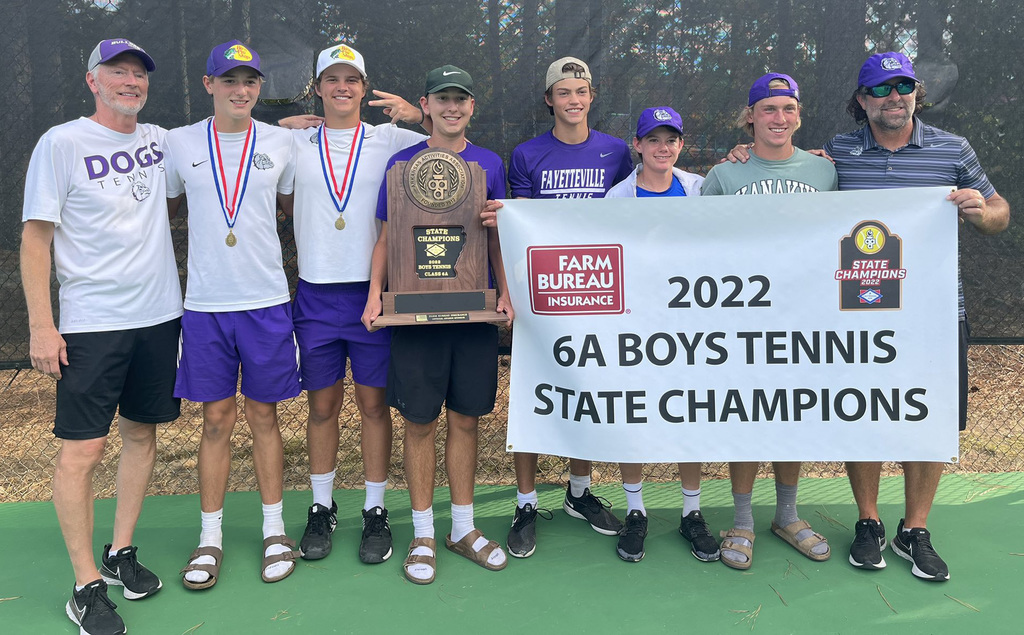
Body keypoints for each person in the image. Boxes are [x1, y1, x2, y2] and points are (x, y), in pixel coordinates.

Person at [823, 52, 1009, 581]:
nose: (895, 96)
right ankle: (868, 522)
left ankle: (915, 529)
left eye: (904, 85)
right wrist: (754, 152)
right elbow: (795, 188)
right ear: (862, 101)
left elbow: (1000, 213)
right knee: (863, 412)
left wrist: (982, 210)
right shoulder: (838, 154)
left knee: (927, 420)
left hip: (934, 311)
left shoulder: (954, 149)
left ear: (917, 93)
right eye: (881, 89)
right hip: (858, 314)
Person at [21, 38, 181, 634]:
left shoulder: (161, 141)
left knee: (142, 434)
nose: (130, 81)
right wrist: (43, 323)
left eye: (139, 73)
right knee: (84, 451)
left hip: (160, 317)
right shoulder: (61, 143)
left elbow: (229, 134)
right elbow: (36, 237)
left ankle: (120, 554)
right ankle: (85, 584)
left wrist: (296, 123)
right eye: (118, 72)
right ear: (93, 81)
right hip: (91, 322)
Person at [362, 64, 513, 585]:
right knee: (420, 422)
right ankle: (424, 532)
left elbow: (496, 236)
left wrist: (508, 295)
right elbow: (386, 236)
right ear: (424, 105)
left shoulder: (489, 163)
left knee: (467, 420)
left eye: (462, 99)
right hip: (415, 314)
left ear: (473, 107)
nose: (453, 107)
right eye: (442, 99)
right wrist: (374, 296)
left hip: (473, 312)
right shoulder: (400, 164)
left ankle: (463, 528)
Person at [482, 56, 634, 561]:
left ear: (592, 97)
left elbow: (638, 213)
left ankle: (578, 491)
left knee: (586, 391)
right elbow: (519, 224)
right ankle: (526, 503)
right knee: (532, 394)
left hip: (598, 290)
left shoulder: (615, 153)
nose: (573, 100)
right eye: (563, 92)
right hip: (540, 292)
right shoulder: (526, 154)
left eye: (581, 91)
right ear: (549, 100)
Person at [164, 40, 301, 589]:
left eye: (249, 82)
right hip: (204, 306)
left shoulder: (283, 142)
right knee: (216, 421)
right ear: (208, 85)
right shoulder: (177, 143)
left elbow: (295, 210)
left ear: (258, 87)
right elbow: (165, 211)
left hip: (267, 303)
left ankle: (274, 529)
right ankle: (210, 537)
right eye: (228, 81)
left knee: (265, 418)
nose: (240, 90)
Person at [287, 43, 427, 565]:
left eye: (352, 80)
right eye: (332, 79)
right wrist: (278, 129)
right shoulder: (296, 143)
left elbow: (457, 154)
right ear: (319, 88)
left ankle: (374, 510)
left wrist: (424, 114)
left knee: (373, 407)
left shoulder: (392, 139)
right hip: (317, 296)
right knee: (321, 408)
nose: (342, 88)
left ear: (365, 88)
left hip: (374, 295)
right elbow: (243, 145)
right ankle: (321, 508)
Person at [702, 72, 837, 571]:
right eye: (768, 109)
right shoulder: (724, 175)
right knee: (748, 413)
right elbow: (697, 245)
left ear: (798, 115)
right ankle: (741, 520)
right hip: (740, 316)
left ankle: (786, 514)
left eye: (788, 109)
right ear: (751, 117)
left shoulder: (826, 172)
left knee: (791, 412)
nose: (778, 118)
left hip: (804, 315)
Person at [605, 107, 718, 563]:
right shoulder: (617, 197)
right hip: (637, 323)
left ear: (680, 145)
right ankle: (636, 511)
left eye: (671, 139)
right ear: (637, 145)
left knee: (689, 415)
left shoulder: (699, 188)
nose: (662, 147)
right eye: (653, 139)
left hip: (691, 323)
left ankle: (692, 512)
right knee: (634, 415)